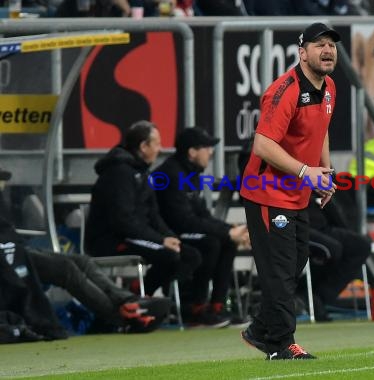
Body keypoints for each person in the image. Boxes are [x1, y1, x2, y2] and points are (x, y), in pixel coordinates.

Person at [239, 22, 339, 360]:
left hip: (296, 194)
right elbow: (263, 145)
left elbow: (320, 130)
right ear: (302, 52)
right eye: (319, 45)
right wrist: (305, 171)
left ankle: (259, 330)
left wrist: (325, 174)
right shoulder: (285, 90)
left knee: (295, 265)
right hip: (267, 192)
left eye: (332, 45)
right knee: (279, 273)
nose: (328, 50)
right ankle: (281, 345)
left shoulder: (329, 89)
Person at [86, 120, 202, 298]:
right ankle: (135, 299)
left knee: (190, 254)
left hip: (134, 237)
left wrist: (170, 237)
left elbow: (153, 215)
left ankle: (177, 306)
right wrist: (160, 240)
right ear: (143, 146)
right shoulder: (119, 173)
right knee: (168, 256)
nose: (160, 149)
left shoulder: (142, 173)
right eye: (156, 144)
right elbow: (122, 221)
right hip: (111, 240)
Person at [0, 216, 170, 334]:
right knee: (66, 268)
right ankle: (121, 317)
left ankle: (127, 300)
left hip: (16, 248)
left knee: (82, 261)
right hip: (7, 256)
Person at [154, 127, 250, 327]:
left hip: (184, 230)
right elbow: (183, 221)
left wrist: (229, 228)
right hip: (168, 234)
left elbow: (201, 214)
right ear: (192, 152)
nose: (211, 152)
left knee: (226, 242)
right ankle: (196, 308)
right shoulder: (170, 175)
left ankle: (217, 307)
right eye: (207, 148)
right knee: (211, 243)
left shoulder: (191, 174)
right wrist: (226, 231)